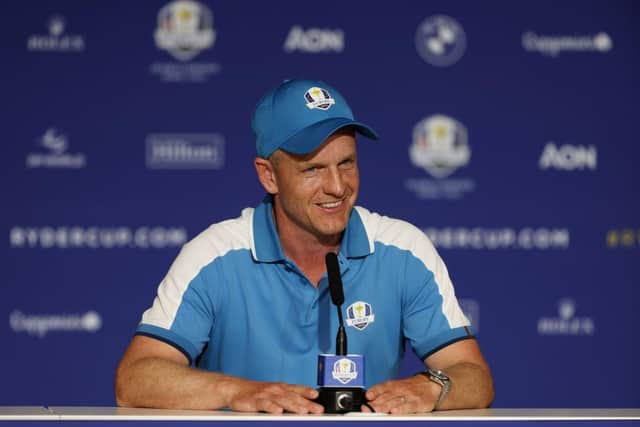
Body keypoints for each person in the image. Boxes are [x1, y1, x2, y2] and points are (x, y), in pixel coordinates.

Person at [115, 79, 494, 414]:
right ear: (268, 176)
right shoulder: (213, 256)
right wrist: (240, 392)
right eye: (313, 170)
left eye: (346, 163)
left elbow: (474, 376)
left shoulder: (404, 250)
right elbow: (135, 379)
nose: (337, 187)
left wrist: (431, 386)